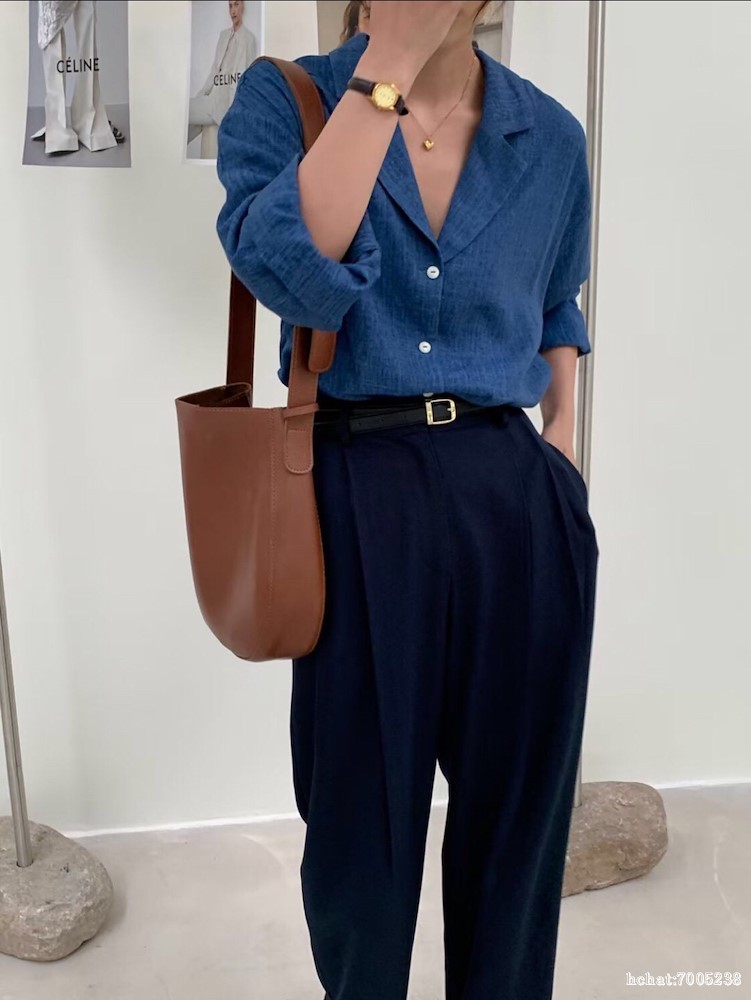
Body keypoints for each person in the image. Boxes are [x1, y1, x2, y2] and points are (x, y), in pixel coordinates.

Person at [215, 2, 599, 997]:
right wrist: (387, 61)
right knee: (358, 824)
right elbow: (292, 274)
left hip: (514, 496)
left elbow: (556, 301)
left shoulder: (551, 137)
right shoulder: (286, 100)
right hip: (355, 488)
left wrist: (561, 444)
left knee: (517, 822)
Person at [187, 0, 256, 152]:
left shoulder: (248, 39)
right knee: (203, 126)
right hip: (212, 98)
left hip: (225, 101)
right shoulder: (223, 36)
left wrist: (234, 111)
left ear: (243, 6)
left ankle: (171, 145)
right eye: (230, 6)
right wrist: (201, 95)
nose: (233, 10)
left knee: (184, 111)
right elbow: (214, 70)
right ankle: (173, 145)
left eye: (236, 4)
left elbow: (244, 77)